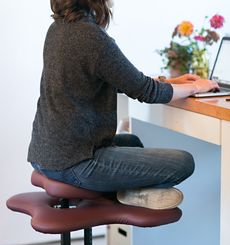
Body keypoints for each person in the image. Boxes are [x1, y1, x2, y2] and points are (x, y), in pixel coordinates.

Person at [28, 0, 219, 210]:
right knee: (184, 162)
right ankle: (130, 192)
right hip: (76, 163)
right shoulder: (91, 37)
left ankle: (132, 191)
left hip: (46, 156)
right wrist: (197, 87)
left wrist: (174, 82)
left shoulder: (58, 28)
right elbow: (146, 91)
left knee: (132, 141)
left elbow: (117, 80)